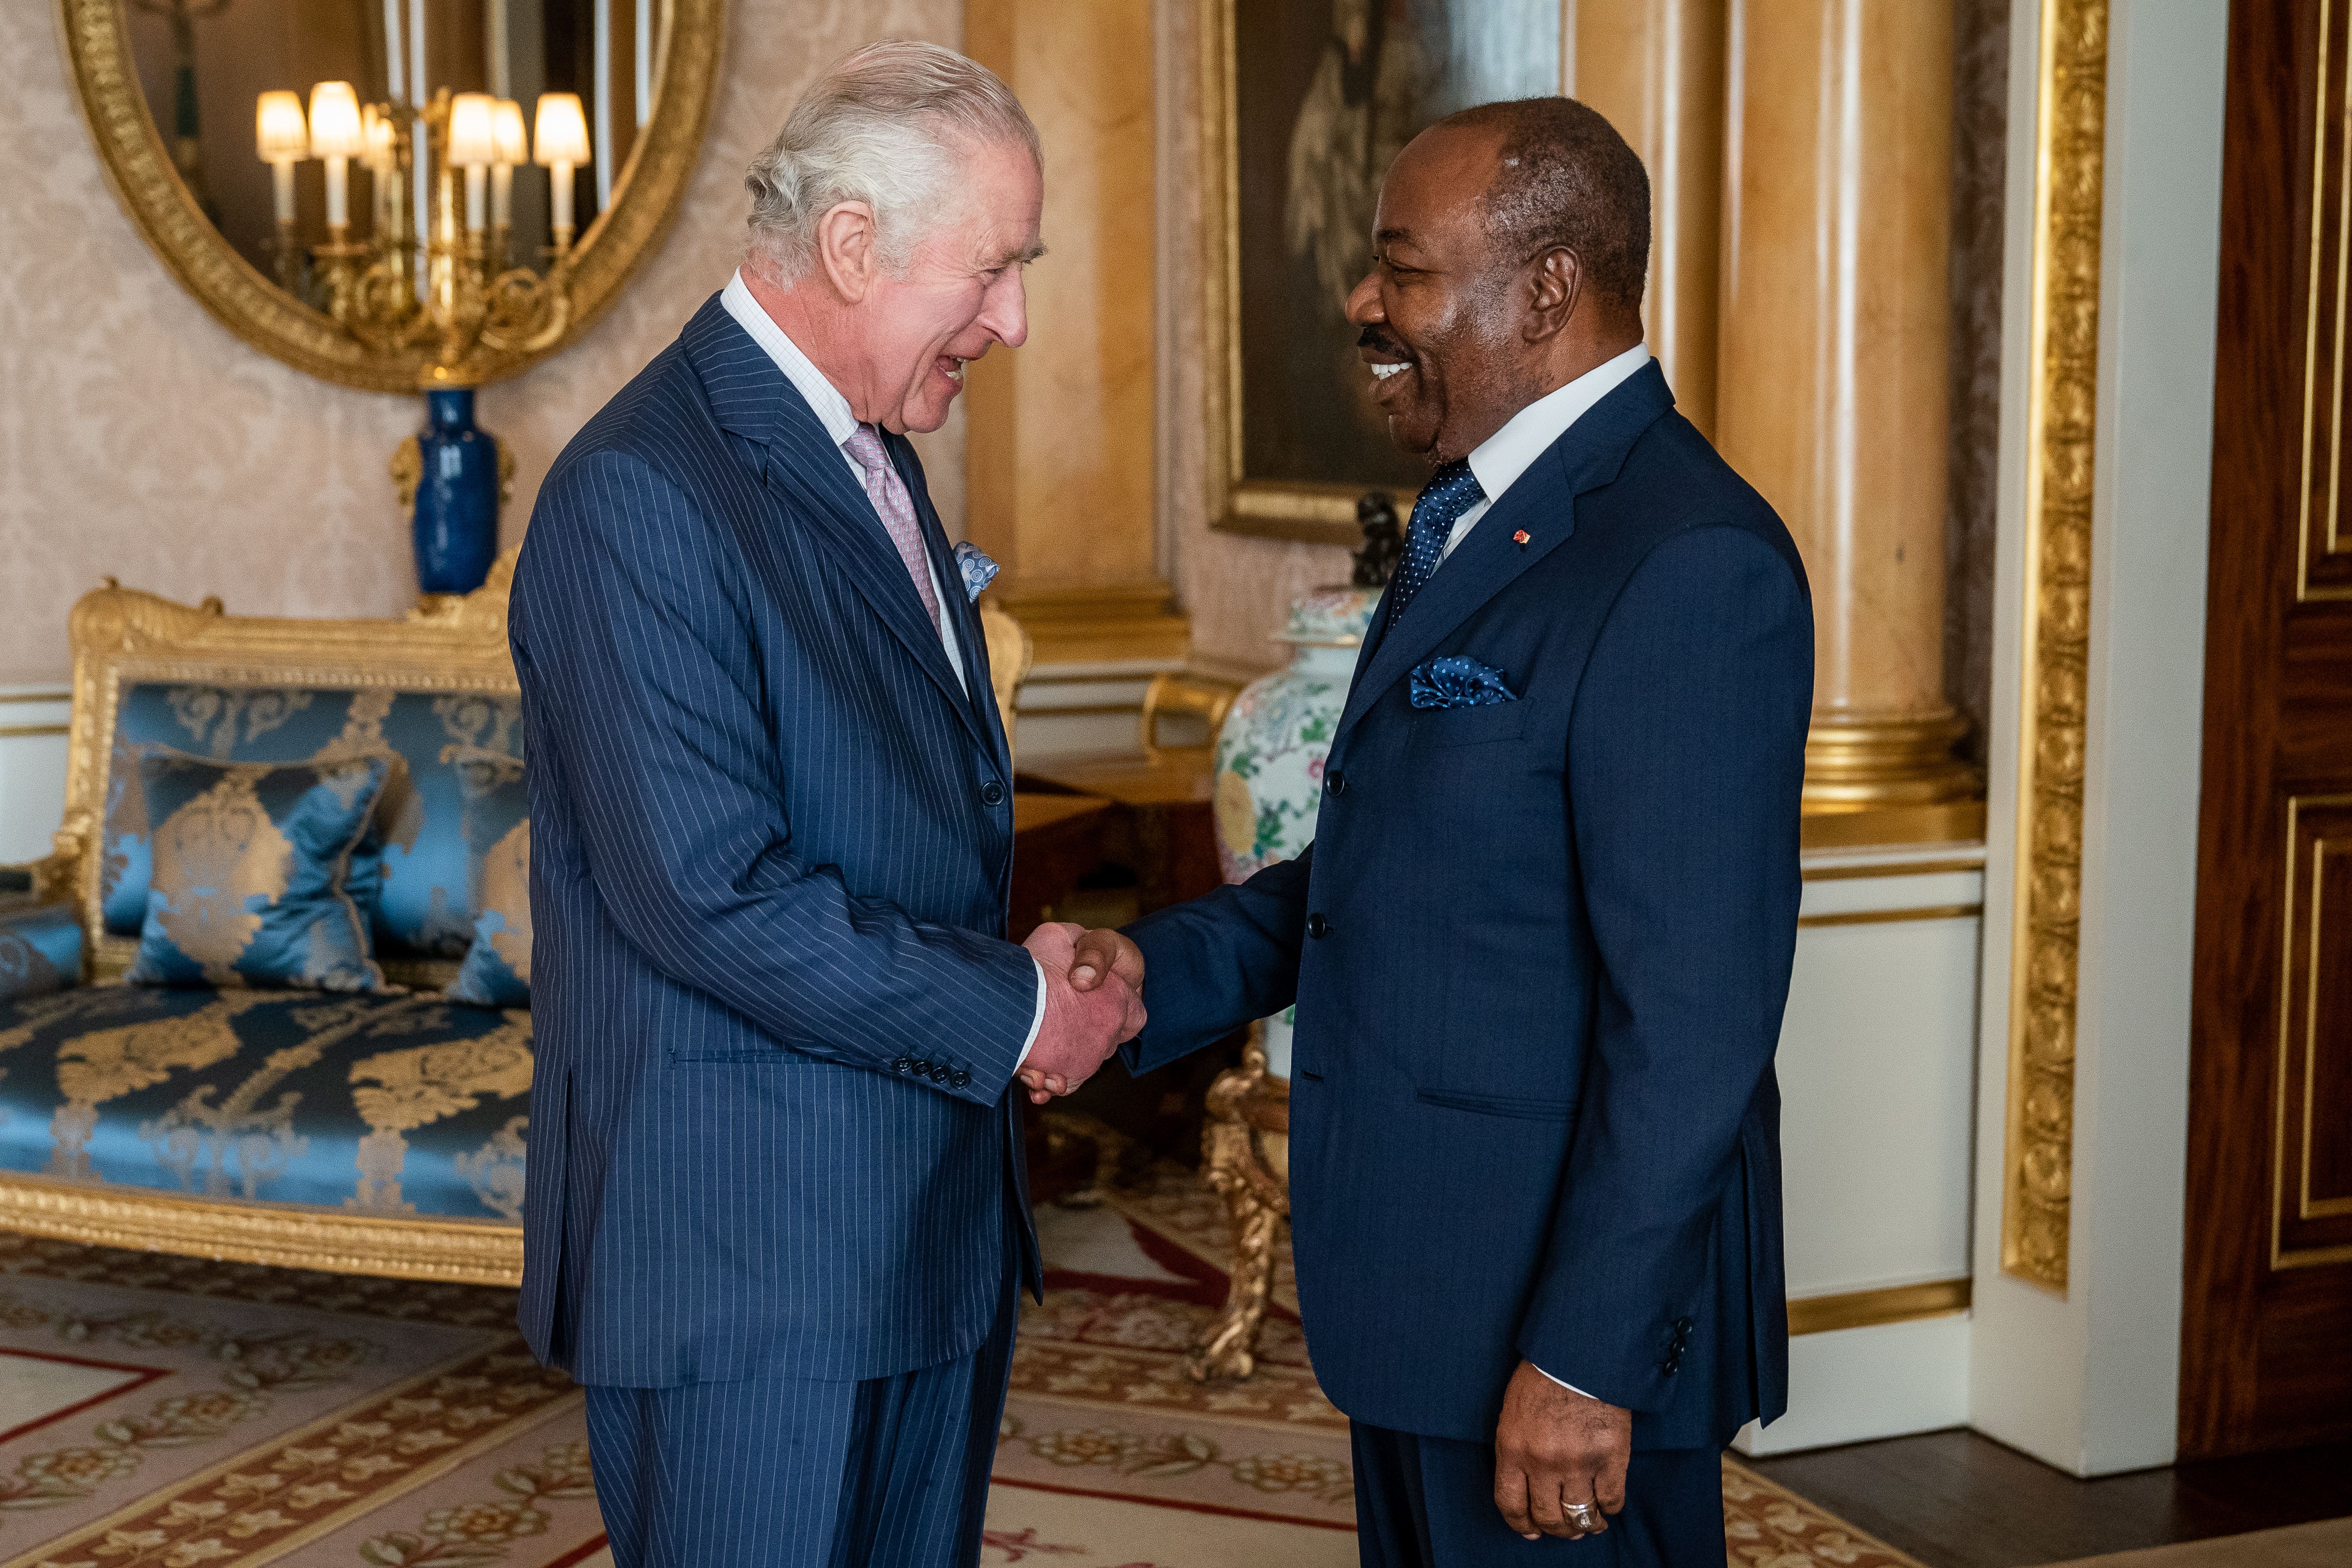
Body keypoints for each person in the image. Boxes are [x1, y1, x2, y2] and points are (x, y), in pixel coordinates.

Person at [1064, 97, 1814, 1565]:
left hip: (1556, 1336)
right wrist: (1148, 977)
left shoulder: (1685, 558)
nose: (1365, 302)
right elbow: (1386, 877)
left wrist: (1586, 1356)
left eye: (1401, 268)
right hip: (1424, 1297)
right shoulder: (1469, 510)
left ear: (1545, 289)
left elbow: (1694, 1020)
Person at [509, 43, 1139, 1568]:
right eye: (991, 270)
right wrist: (1010, 1008)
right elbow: (707, 895)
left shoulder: (864, 444)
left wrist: (1023, 984)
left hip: (916, 1230)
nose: (1016, 319)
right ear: (850, 244)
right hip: (753, 1266)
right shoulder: (640, 493)